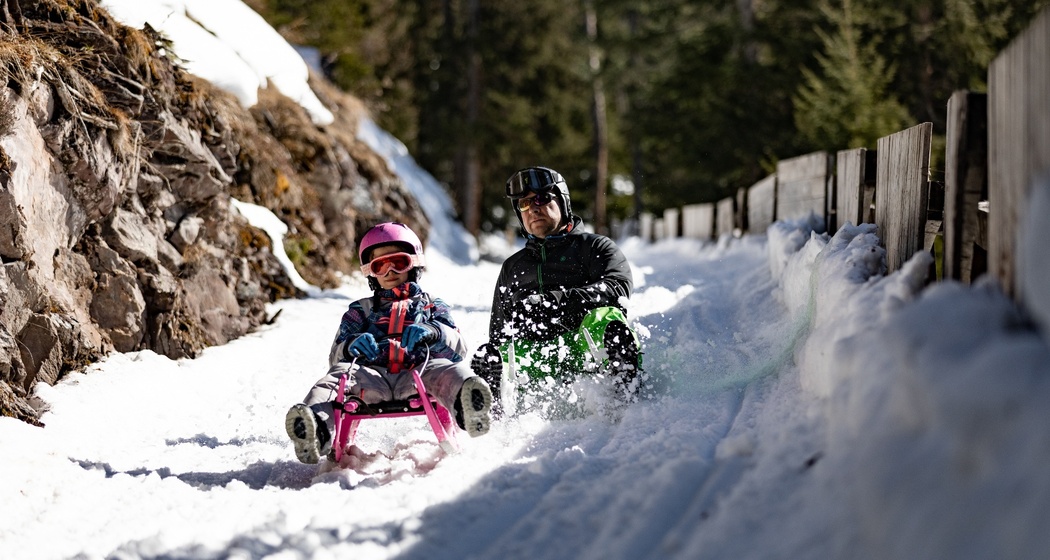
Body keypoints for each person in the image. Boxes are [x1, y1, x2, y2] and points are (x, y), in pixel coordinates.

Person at [285, 222, 493, 464]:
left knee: (448, 370)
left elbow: (459, 349)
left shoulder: (431, 305)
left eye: (399, 262)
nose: (390, 271)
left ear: (413, 263)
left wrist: (434, 332)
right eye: (380, 266)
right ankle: (316, 427)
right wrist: (351, 344)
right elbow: (335, 357)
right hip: (370, 377)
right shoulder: (360, 310)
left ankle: (469, 405)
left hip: (420, 374)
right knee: (338, 376)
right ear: (370, 272)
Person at [471, 166, 641, 416]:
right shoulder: (513, 267)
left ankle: (625, 395)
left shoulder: (595, 247)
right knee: (493, 354)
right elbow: (499, 330)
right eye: (524, 204)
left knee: (607, 318)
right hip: (536, 360)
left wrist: (557, 302)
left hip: (586, 349)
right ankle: (494, 414)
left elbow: (618, 287)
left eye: (542, 198)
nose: (533, 208)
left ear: (563, 202)